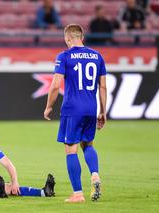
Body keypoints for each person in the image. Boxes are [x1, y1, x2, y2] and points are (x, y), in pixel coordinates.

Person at [44, 24, 107, 203]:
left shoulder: (64, 56)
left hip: (72, 109)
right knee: (88, 144)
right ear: (82, 37)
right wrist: (103, 111)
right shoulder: (97, 55)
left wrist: (49, 106)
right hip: (91, 108)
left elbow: (56, 85)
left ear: (67, 39)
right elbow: (102, 86)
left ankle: (78, 194)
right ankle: (94, 174)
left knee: (70, 150)